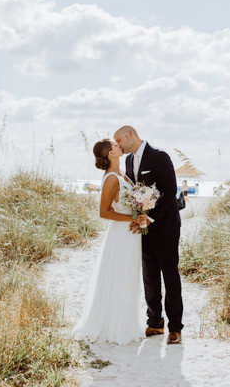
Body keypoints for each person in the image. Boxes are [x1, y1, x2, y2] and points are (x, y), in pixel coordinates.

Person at [71, 139, 150, 344]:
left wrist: (140, 213)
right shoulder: (111, 179)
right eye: (114, 145)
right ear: (111, 154)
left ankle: (126, 322)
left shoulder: (122, 174)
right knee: (118, 276)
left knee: (128, 277)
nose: (118, 145)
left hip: (131, 233)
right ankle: (114, 326)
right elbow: (104, 212)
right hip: (120, 234)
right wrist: (132, 219)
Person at [114, 125, 183, 345]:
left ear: (130, 134)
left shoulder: (159, 156)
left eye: (119, 140)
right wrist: (138, 218)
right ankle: (154, 322)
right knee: (149, 275)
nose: (118, 145)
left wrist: (150, 218)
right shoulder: (127, 161)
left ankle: (175, 328)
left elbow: (169, 192)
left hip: (165, 226)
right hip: (142, 228)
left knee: (170, 276)